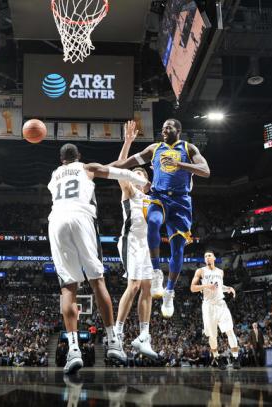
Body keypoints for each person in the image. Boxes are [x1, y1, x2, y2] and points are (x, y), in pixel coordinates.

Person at [48, 143, 148, 374]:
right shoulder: (87, 167)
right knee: (97, 281)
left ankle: (73, 350)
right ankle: (113, 342)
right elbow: (118, 172)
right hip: (81, 218)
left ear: (61, 159)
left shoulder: (54, 174)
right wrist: (141, 180)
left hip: (56, 222)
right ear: (78, 157)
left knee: (68, 288)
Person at [110, 118, 210, 318]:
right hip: (159, 197)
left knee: (178, 248)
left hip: (181, 201)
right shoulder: (154, 148)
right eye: (163, 127)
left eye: (169, 127)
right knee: (153, 222)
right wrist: (97, 169)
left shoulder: (188, 148)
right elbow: (125, 164)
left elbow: (206, 171)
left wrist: (180, 164)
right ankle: (156, 272)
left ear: (178, 130)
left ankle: (170, 291)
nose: (164, 129)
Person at [113, 121, 158, 360]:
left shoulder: (152, 199)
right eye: (135, 174)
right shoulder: (129, 191)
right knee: (134, 285)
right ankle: (117, 333)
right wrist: (128, 142)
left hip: (148, 245)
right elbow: (121, 168)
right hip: (130, 241)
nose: (136, 175)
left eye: (140, 173)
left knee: (148, 287)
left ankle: (143, 336)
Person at [190, 250, 240, 370]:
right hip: (208, 306)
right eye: (205, 256)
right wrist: (206, 286)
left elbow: (219, 287)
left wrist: (228, 288)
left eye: (209, 256)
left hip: (221, 304)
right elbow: (192, 288)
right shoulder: (200, 271)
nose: (207, 258)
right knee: (212, 336)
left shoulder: (220, 272)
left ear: (214, 258)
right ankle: (217, 358)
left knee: (230, 331)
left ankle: (236, 357)